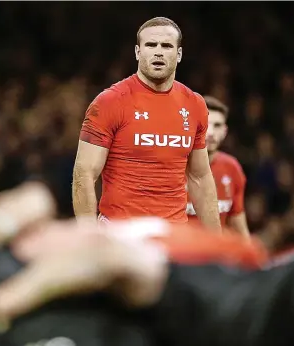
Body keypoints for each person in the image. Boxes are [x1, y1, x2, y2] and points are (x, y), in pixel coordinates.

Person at [0, 183, 294, 346]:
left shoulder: (125, 235)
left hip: (291, 295)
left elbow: (37, 202)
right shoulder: (33, 247)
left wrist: (6, 301)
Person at [73, 17, 220, 230]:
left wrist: (217, 244)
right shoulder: (109, 102)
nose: (158, 52)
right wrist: (89, 237)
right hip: (120, 234)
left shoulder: (195, 104)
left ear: (178, 55)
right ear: (137, 52)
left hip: (174, 235)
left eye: (166, 46)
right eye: (151, 45)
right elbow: (84, 173)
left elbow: (200, 177)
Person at [186, 96, 249, 237]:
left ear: (225, 132)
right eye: (206, 125)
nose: (211, 133)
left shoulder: (232, 168)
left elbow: (239, 228)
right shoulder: (172, 167)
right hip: (178, 255)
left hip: (215, 256)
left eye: (217, 126)